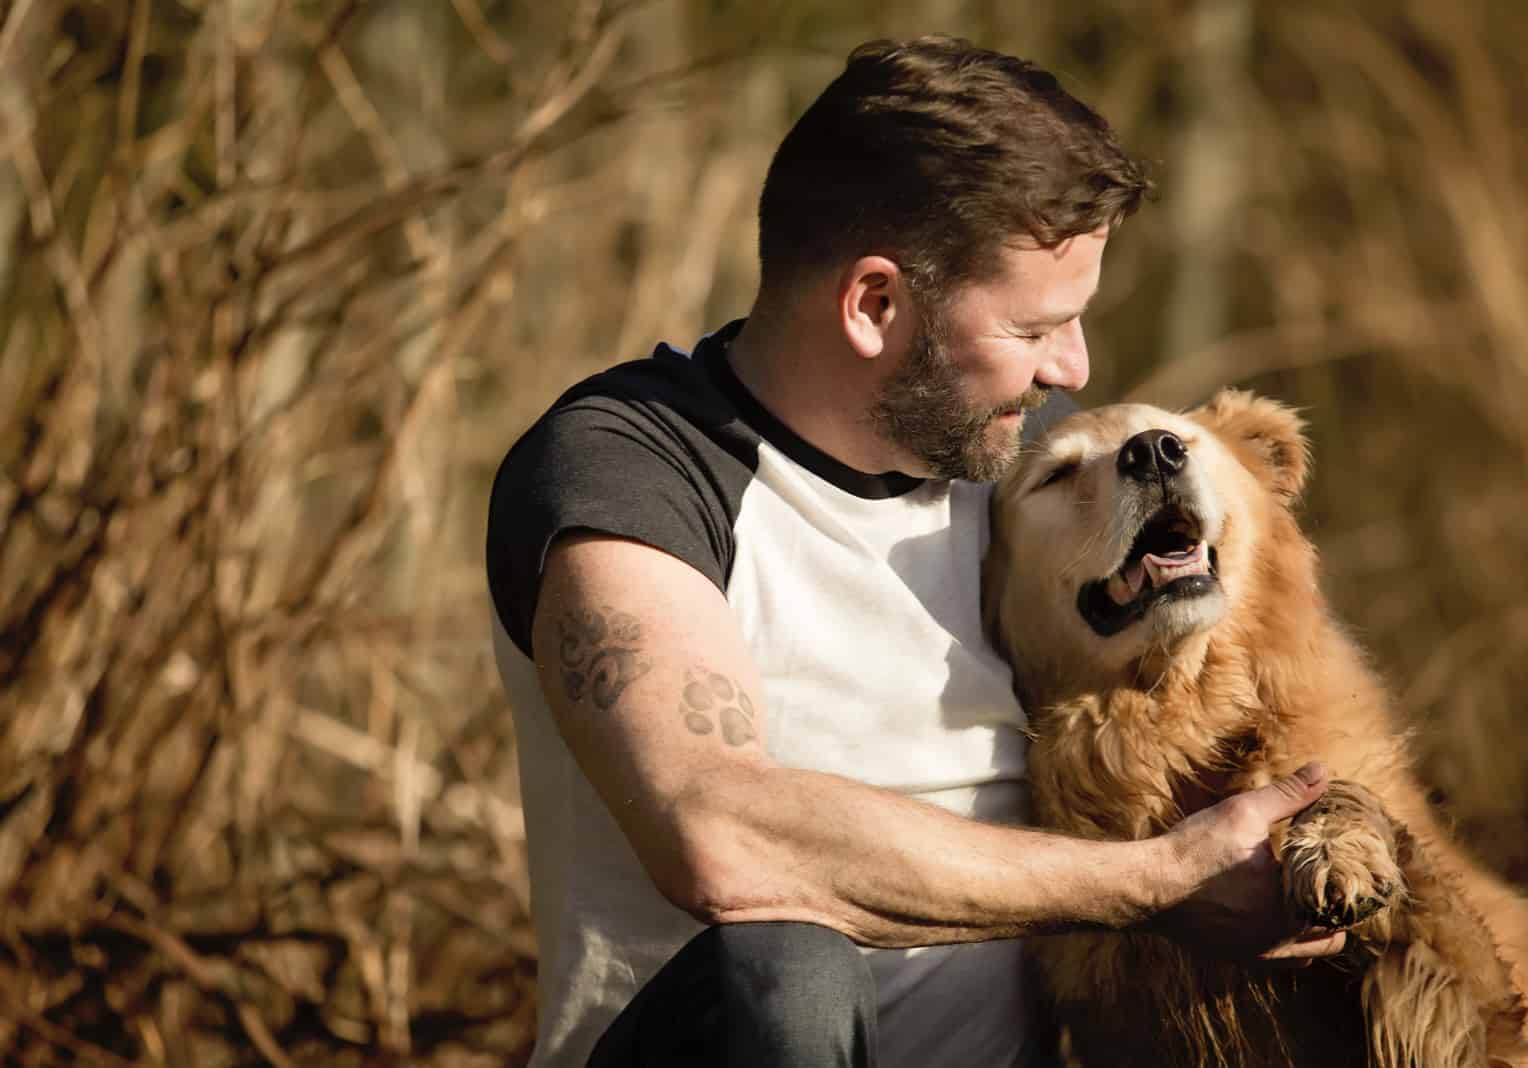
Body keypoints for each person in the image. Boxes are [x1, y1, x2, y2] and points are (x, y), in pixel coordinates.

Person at [485, 34, 1346, 1068]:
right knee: (787, 963)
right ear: (875, 304)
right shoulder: (631, 469)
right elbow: (719, 835)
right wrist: (1156, 884)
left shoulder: (1034, 472)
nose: (1071, 366)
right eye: (1034, 331)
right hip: (727, 1047)